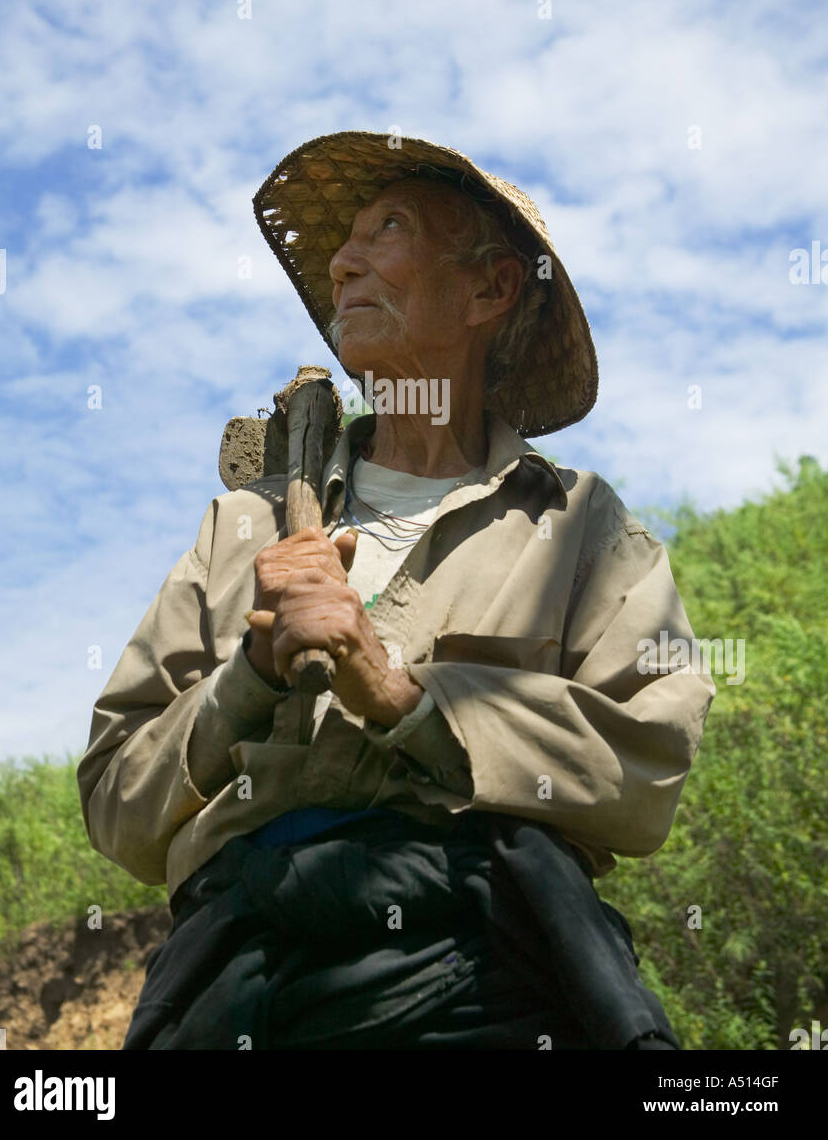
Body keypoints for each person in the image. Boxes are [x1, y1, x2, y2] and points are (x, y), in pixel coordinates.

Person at [77, 131, 715, 1050]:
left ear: (489, 290)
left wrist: (403, 695)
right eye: (344, 244)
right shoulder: (241, 529)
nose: (343, 263)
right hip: (242, 979)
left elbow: (646, 766)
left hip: (494, 974)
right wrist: (251, 672)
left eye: (389, 230)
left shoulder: (581, 529)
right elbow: (115, 803)